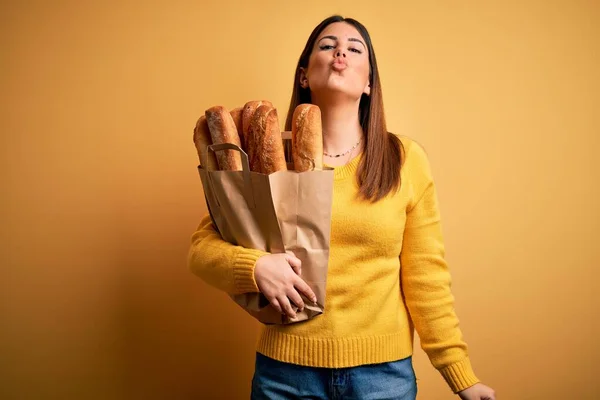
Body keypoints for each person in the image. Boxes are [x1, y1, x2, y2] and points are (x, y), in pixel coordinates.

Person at [188, 15, 496, 400]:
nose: (340, 53)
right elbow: (200, 250)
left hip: (383, 379)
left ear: (368, 83)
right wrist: (255, 267)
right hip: (285, 375)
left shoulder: (404, 160)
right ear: (304, 75)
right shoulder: (267, 161)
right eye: (327, 44)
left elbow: (426, 278)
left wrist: (460, 376)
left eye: (354, 49)